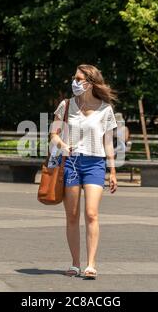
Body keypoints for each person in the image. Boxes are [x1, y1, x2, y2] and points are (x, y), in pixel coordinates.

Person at [50, 64, 118, 280]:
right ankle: (75, 264)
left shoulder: (105, 109)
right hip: (70, 163)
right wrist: (61, 145)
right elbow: (53, 134)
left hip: (95, 163)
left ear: (89, 82)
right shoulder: (66, 105)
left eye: (79, 79)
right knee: (72, 215)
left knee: (91, 213)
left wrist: (113, 170)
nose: (74, 82)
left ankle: (91, 264)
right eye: (74, 78)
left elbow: (108, 141)